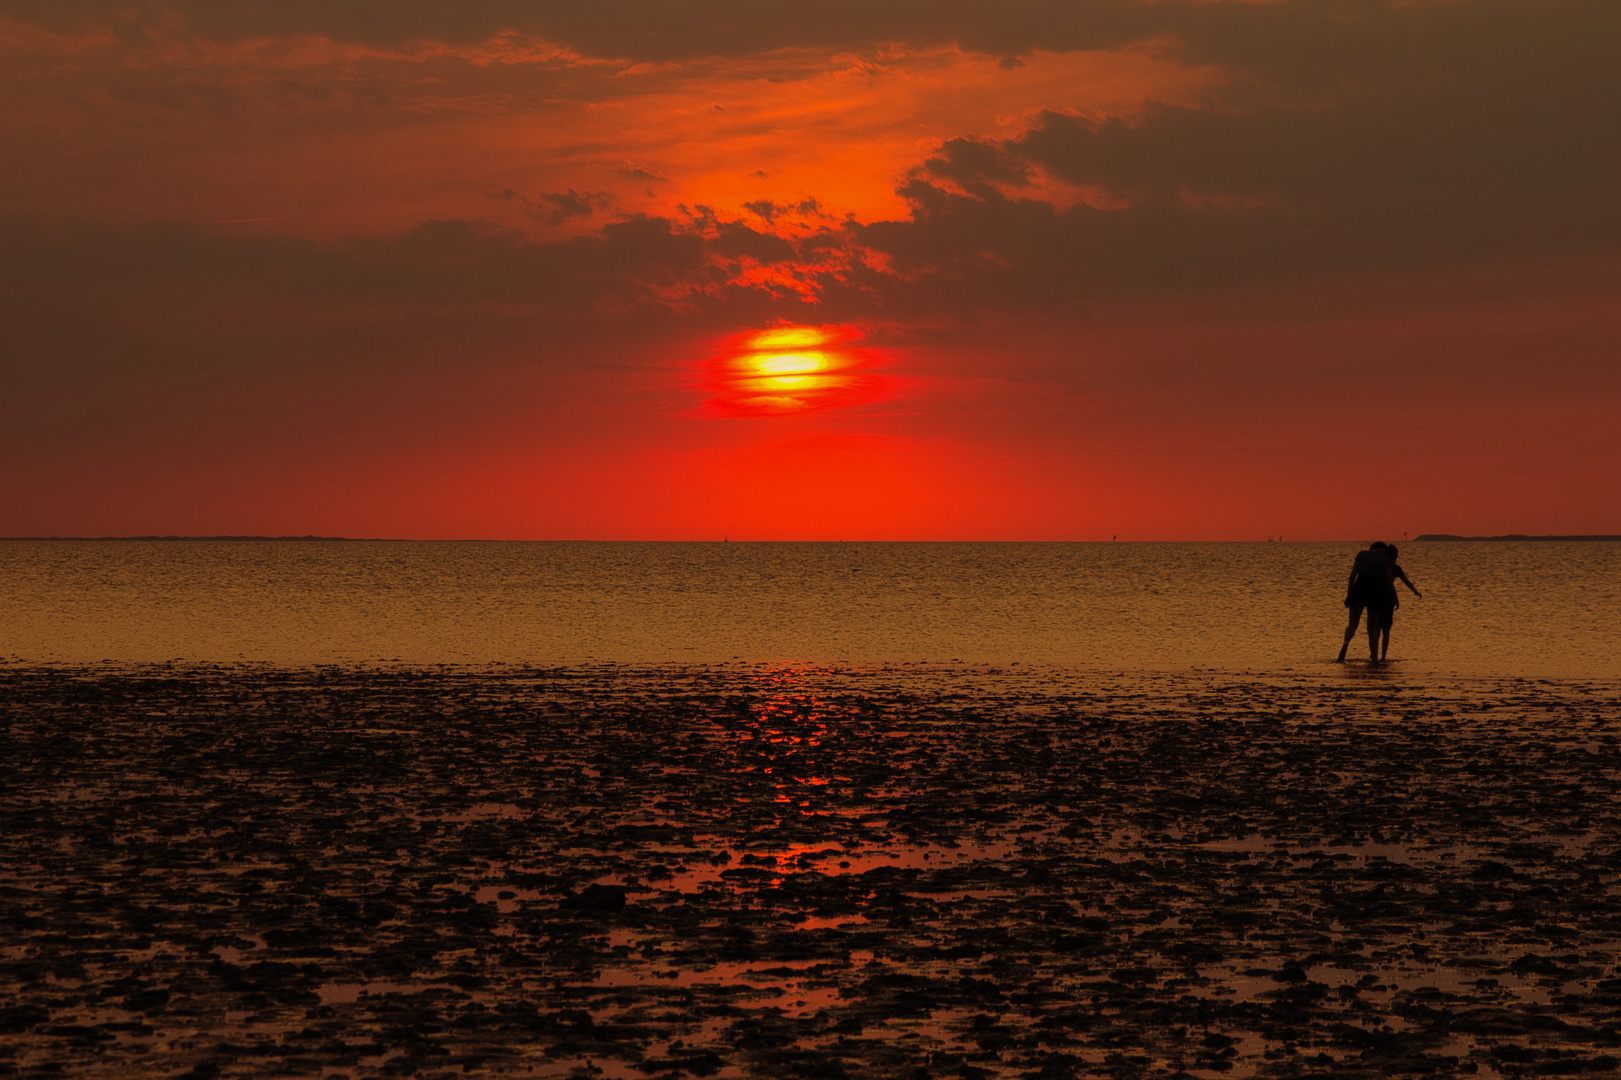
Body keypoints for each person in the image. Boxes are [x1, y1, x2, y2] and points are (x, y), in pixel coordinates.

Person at [1337, 542, 1392, 662]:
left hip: (1359, 587)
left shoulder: (1362, 555)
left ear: (1372, 548)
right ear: (1383, 550)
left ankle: (1346, 643)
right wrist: (1390, 598)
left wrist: (1349, 593)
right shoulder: (1386, 560)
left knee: (1352, 624)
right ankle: (1375, 658)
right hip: (1376, 591)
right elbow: (1388, 582)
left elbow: (1352, 575)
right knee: (1372, 628)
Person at [1371, 544, 1422, 661]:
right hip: (1388, 600)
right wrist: (1415, 591)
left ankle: (1374, 654)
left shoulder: (1379, 566)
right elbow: (1406, 581)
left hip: (1377, 599)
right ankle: (1383, 656)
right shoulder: (1394, 567)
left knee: (1376, 628)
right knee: (1386, 630)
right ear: (1395, 556)